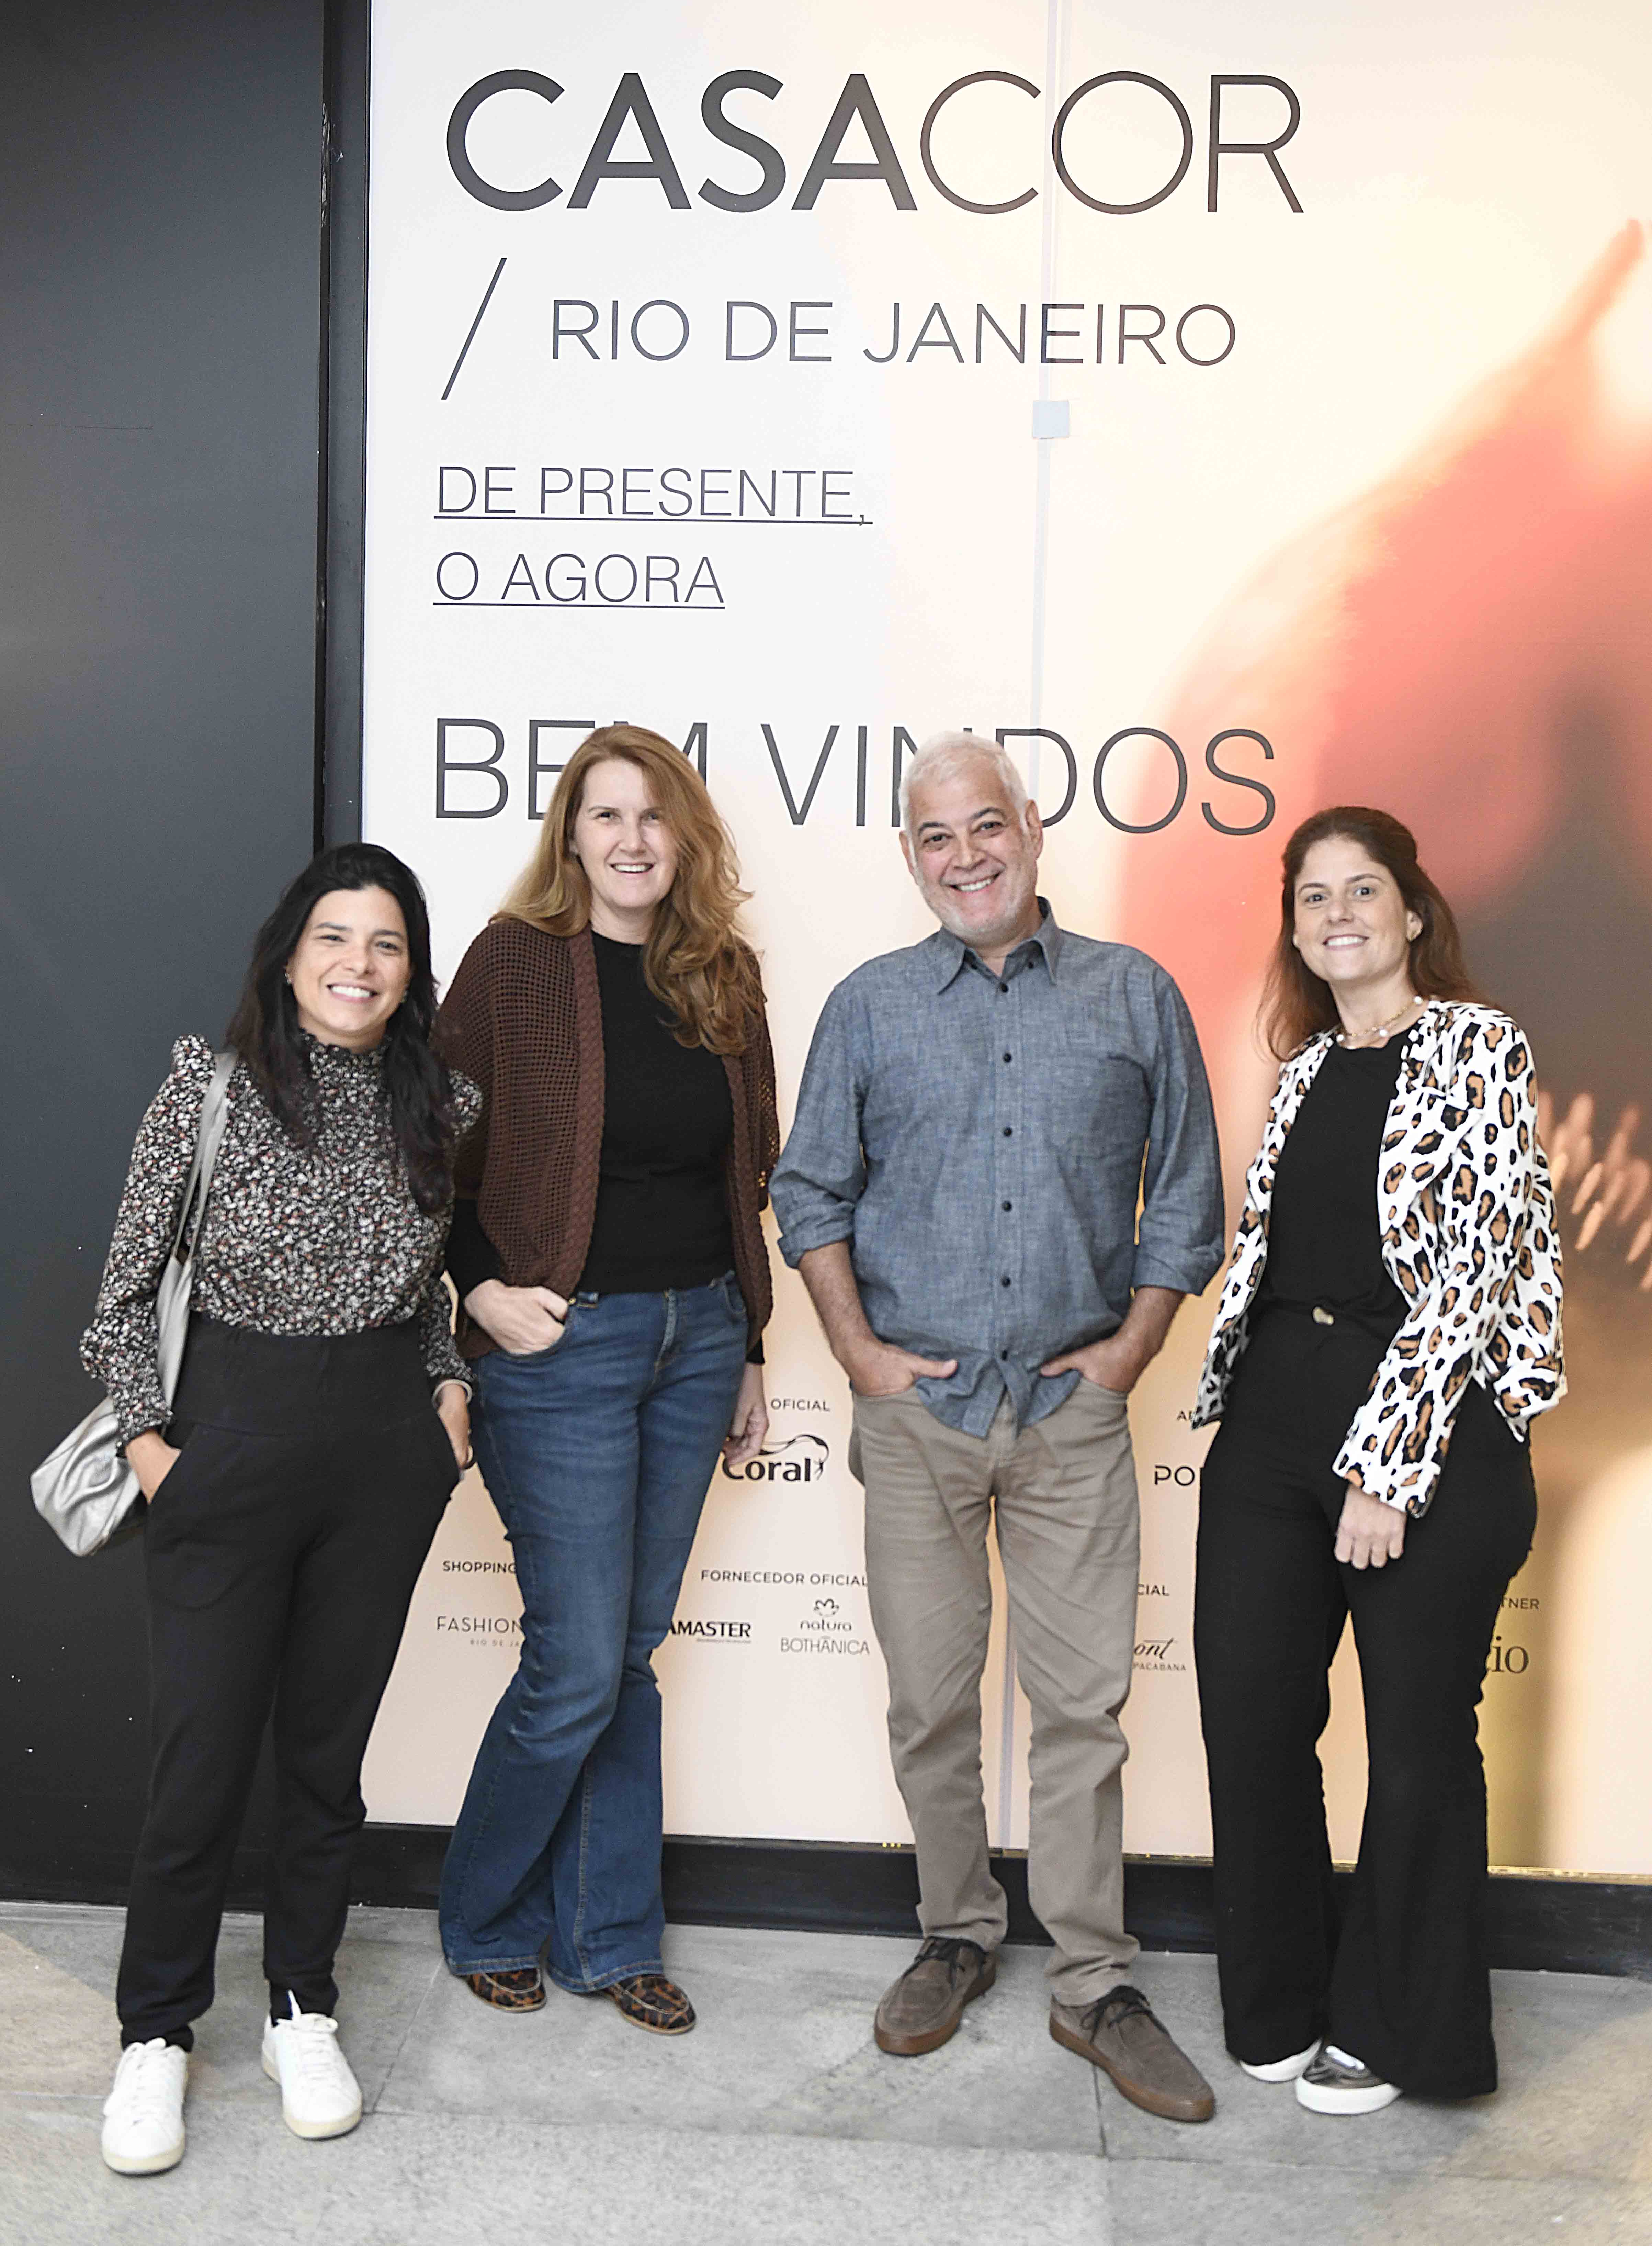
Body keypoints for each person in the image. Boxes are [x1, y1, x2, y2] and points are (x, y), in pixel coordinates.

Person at [771, 731, 1225, 2122]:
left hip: (1073, 1418)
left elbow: (1191, 1199)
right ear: (909, 855)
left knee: (1082, 1709)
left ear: (1033, 828)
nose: (965, 855)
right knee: (929, 1702)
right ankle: (957, 1932)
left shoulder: (1134, 994)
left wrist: (1128, 1353)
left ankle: (1093, 1980)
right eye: (934, 837)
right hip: (919, 1421)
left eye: (985, 826)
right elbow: (809, 1193)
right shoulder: (868, 1004)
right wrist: (857, 1354)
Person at [81, 844, 479, 2176]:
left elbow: (435, 1284)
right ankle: (157, 2034)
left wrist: (446, 1392)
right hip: (227, 1440)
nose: (358, 965)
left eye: (386, 943)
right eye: (335, 936)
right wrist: (151, 1446)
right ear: (289, 948)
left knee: (325, 1754)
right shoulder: (211, 1085)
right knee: (200, 1758)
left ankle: (301, 2003)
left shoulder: (445, 1102)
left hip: (381, 1454)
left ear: (410, 967)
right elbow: (125, 1294)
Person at [1192, 807, 1565, 2114]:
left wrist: (1385, 1466)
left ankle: (1402, 2028)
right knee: (1248, 1719)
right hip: (1275, 1422)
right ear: (1294, 925)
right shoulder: (1300, 1071)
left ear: (1412, 911)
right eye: (1312, 895)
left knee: (1412, 1744)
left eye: (1363, 889)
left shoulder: (1477, 1047)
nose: (1336, 911)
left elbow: (1467, 1272)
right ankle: (1278, 1995)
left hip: (1433, 1428)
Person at [434, 724, 777, 2035]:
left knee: (625, 1655)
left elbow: (745, 1174)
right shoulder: (514, 965)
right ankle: (484, 1914)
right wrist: (476, 1289)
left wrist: (745, 1343)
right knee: (577, 1663)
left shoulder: (721, 973)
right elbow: (434, 1156)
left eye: (654, 815)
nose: (632, 838)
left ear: (683, 835)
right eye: (605, 814)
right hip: (560, 1348)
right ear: (570, 834)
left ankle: (609, 1934)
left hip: (696, 1339)